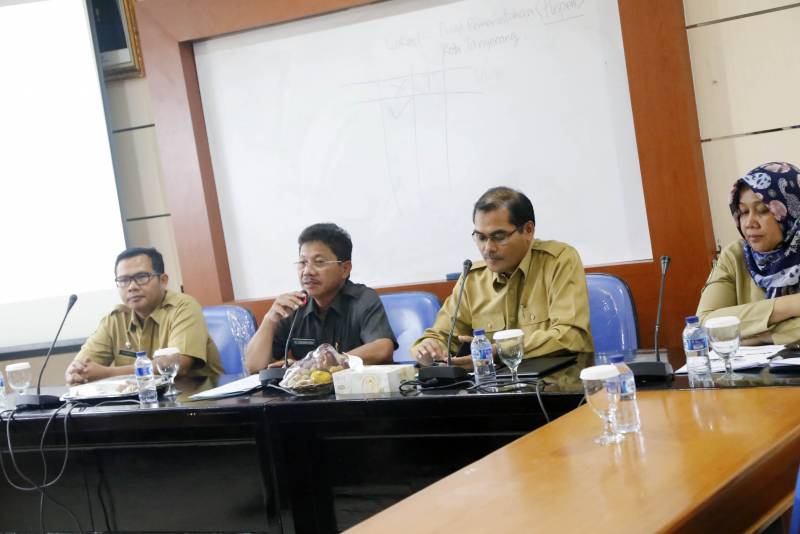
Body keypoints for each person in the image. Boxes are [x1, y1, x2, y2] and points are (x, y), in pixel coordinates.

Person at [412, 186, 594, 367]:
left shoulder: (559, 261)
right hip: (492, 384)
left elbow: (571, 335)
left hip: (555, 382)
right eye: (481, 238)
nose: (488, 248)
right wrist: (430, 348)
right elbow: (441, 336)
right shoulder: (472, 279)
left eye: (499, 237)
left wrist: (501, 350)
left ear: (528, 230)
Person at [244, 223, 397, 372]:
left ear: (345, 269)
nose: (307, 271)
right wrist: (270, 319)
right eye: (303, 262)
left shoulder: (362, 299)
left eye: (319, 262)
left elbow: (383, 348)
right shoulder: (294, 306)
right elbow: (253, 366)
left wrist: (328, 362)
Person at [65, 247, 223, 385]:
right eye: (124, 280)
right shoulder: (115, 319)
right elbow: (80, 366)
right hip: (142, 404)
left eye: (141, 277)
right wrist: (75, 373)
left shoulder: (184, 307)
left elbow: (179, 365)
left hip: (196, 401)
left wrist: (108, 373)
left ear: (163, 280)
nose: (132, 287)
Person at [696, 162, 800, 345]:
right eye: (743, 211)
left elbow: (720, 328)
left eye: (763, 210)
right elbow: (705, 323)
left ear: (792, 211)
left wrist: (766, 337)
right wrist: (792, 304)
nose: (749, 223)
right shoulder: (735, 255)